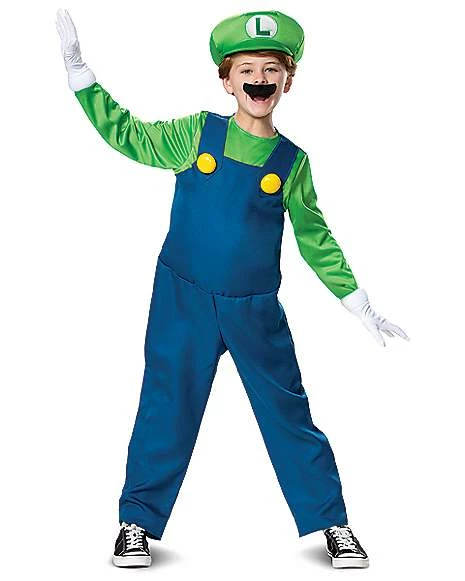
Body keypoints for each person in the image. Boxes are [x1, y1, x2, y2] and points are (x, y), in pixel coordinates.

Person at [56, 8, 409, 569]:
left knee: (287, 412)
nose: (259, 79)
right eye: (247, 69)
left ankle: (332, 523)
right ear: (226, 80)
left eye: (271, 69)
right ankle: (136, 523)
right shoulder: (196, 134)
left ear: (288, 80)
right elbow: (130, 136)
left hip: (255, 309)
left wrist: (355, 299)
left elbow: (314, 235)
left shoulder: (291, 162)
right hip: (183, 298)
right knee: (167, 405)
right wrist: (82, 76)